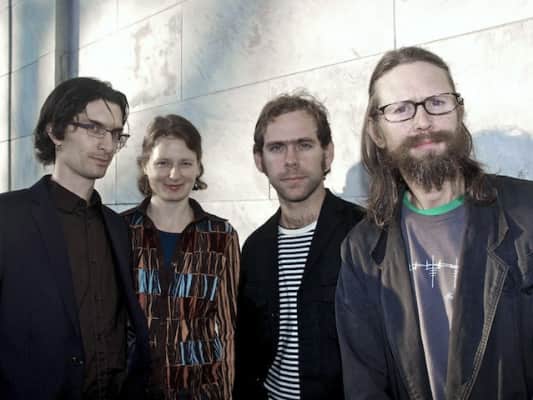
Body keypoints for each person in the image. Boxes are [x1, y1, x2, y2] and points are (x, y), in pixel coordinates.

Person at [336, 46, 533, 399]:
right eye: (401, 109)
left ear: (459, 113)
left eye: (437, 102)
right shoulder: (360, 250)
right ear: (377, 132)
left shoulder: (528, 212)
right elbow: (365, 385)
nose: (423, 121)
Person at [0, 77, 150, 399]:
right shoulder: (7, 217)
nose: (108, 145)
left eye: (115, 134)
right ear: (55, 132)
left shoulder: (118, 227)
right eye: (94, 128)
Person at [234, 92, 365, 399]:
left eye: (304, 145)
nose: (291, 160)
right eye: (276, 148)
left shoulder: (363, 233)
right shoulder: (255, 248)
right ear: (260, 160)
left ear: (327, 153)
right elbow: (247, 349)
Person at [122, 114, 240, 399]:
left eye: (185, 163)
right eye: (163, 163)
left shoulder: (221, 235)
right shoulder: (121, 230)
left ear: (198, 167)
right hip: (132, 389)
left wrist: (226, 392)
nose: (174, 175)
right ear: (145, 165)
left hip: (200, 390)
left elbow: (229, 327)